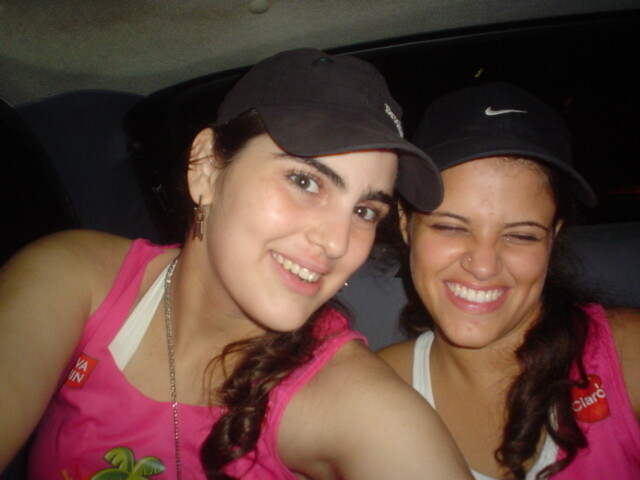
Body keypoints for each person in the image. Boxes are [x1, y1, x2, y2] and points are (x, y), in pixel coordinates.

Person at [0, 48, 473, 480]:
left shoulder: (350, 400)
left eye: (365, 211)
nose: (337, 242)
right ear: (207, 167)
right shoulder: (74, 278)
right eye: (305, 182)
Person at [379, 82, 640, 479]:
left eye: (521, 235)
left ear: (552, 238)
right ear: (405, 224)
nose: (484, 266)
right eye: (451, 227)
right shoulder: (373, 387)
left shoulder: (627, 355)